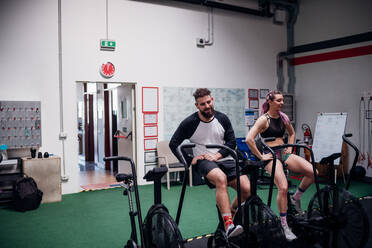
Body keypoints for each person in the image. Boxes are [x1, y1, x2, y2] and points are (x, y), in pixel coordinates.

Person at [169, 88, 250, 238]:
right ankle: (228, 225)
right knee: (221, 179)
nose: (207, 106)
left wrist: (218, 155)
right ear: (197, 106)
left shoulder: (222, 118)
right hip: (204, 160)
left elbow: (231, 141)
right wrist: (188, 161)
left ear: (212, 100)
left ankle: (231, 211)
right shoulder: (189, 122)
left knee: (246, 188)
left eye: (208, 102)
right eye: (202, 104)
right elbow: (173, 143)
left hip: (224, 158)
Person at [245, 90, 317, 241]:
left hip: (284, 153)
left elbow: (291, 133)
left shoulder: (284, 118)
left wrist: (289, 148)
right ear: (270, 102)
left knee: (313, 172)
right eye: (278, 100)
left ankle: (295, 198)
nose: (282, 103)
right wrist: (261, 156)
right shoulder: (263, 120)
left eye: (282, 100)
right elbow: (249, 139)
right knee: (283, 187)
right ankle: (284, 226)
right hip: (270, 155)